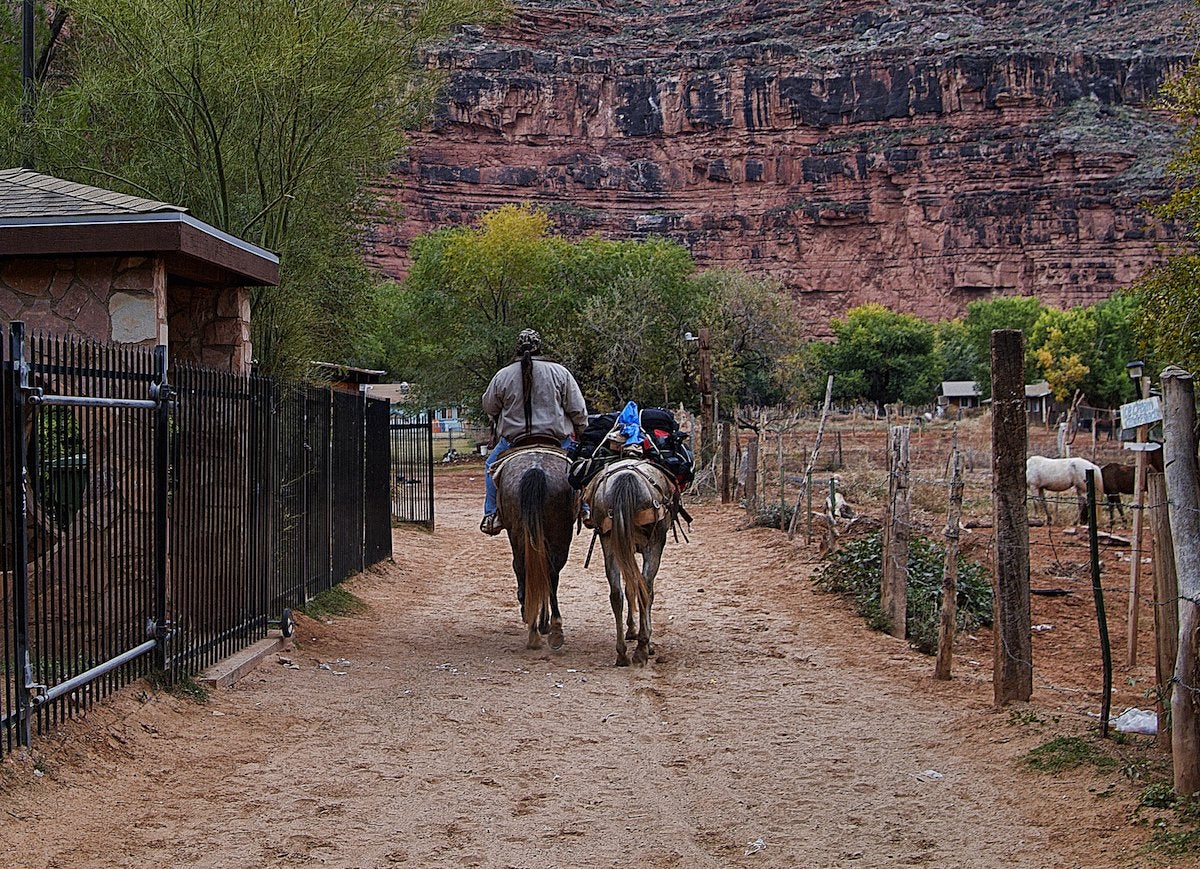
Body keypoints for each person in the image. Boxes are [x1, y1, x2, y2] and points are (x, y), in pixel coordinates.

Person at [480, 328, 588, 535]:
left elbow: (489, 407)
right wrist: (582, 431)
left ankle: (491, 514)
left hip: (514, 441)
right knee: (580, 466)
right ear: (540, 347)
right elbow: (578, 409)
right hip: (556, 440)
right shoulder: (560, 372)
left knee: (490, 466)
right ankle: (585, 508)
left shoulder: (503, 375)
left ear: (518, 348)